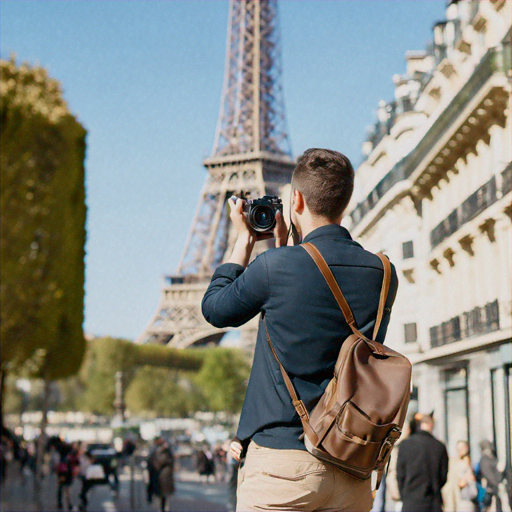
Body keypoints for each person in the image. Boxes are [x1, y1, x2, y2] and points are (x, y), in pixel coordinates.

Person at [202, 148, 399, 512]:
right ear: (345, 200)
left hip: (282, 466)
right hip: (350, 467)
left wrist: (242, 242)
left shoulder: (273, 268)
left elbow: (215, 310)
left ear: (296, 199)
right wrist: (285, 251)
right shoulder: (383, 273)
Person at [396, 413, 449, 512]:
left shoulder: (405, 445)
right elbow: (443, 476)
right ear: (431, 425)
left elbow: (400, 474)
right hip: (433, 502)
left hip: (410, 501)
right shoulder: (439, 446)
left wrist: (404, 495)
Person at [152, 439, 175, 512]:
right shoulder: (160, 452)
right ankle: (162, 508)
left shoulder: (165, 452)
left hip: (164, 477)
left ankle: (163, 508)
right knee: (162, 495)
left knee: (164, 496)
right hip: (161, 477)